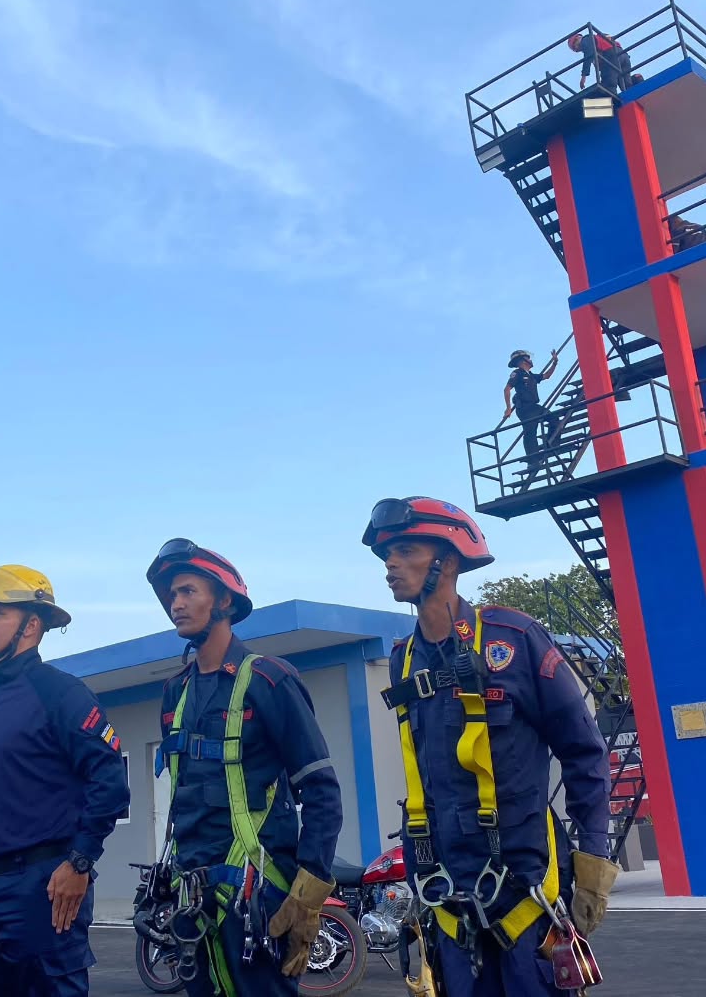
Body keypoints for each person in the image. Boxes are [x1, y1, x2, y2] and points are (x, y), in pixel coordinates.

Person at [362, 497, 617, 996]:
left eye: (405, 549)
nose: (390, 564)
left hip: (527, 896)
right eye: (385, 554)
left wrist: (592, 861)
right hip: (448, 901)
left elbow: (585, 751)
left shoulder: (514, 639)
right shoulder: (404, 660)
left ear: (449, 562)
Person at [149, 539, 342, 996]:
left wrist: (307, 894)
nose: (176, 604)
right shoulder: (175, 694)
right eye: (171, 595)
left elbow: (320, 792)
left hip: (256, 896)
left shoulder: (269, 681)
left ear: (225, 601)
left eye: (188, 591)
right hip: (190, 897)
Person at [0, 565, 131, 996]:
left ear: (31, 625)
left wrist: (80, 862)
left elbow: (109, 779)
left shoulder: (61, 693)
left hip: (43, 884)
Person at [504, 349, 560, 468]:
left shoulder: (531, 375)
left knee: (554, 420)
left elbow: (546, 376)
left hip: (534, 406)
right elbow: (507, 389)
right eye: (528, 358)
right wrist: (508, 408)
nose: (530, 360)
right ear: (522, 360)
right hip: (525, 408)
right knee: (530, 432)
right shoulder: (517, 373)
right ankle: (532, 461)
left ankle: (551, 446)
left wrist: (554, 362)